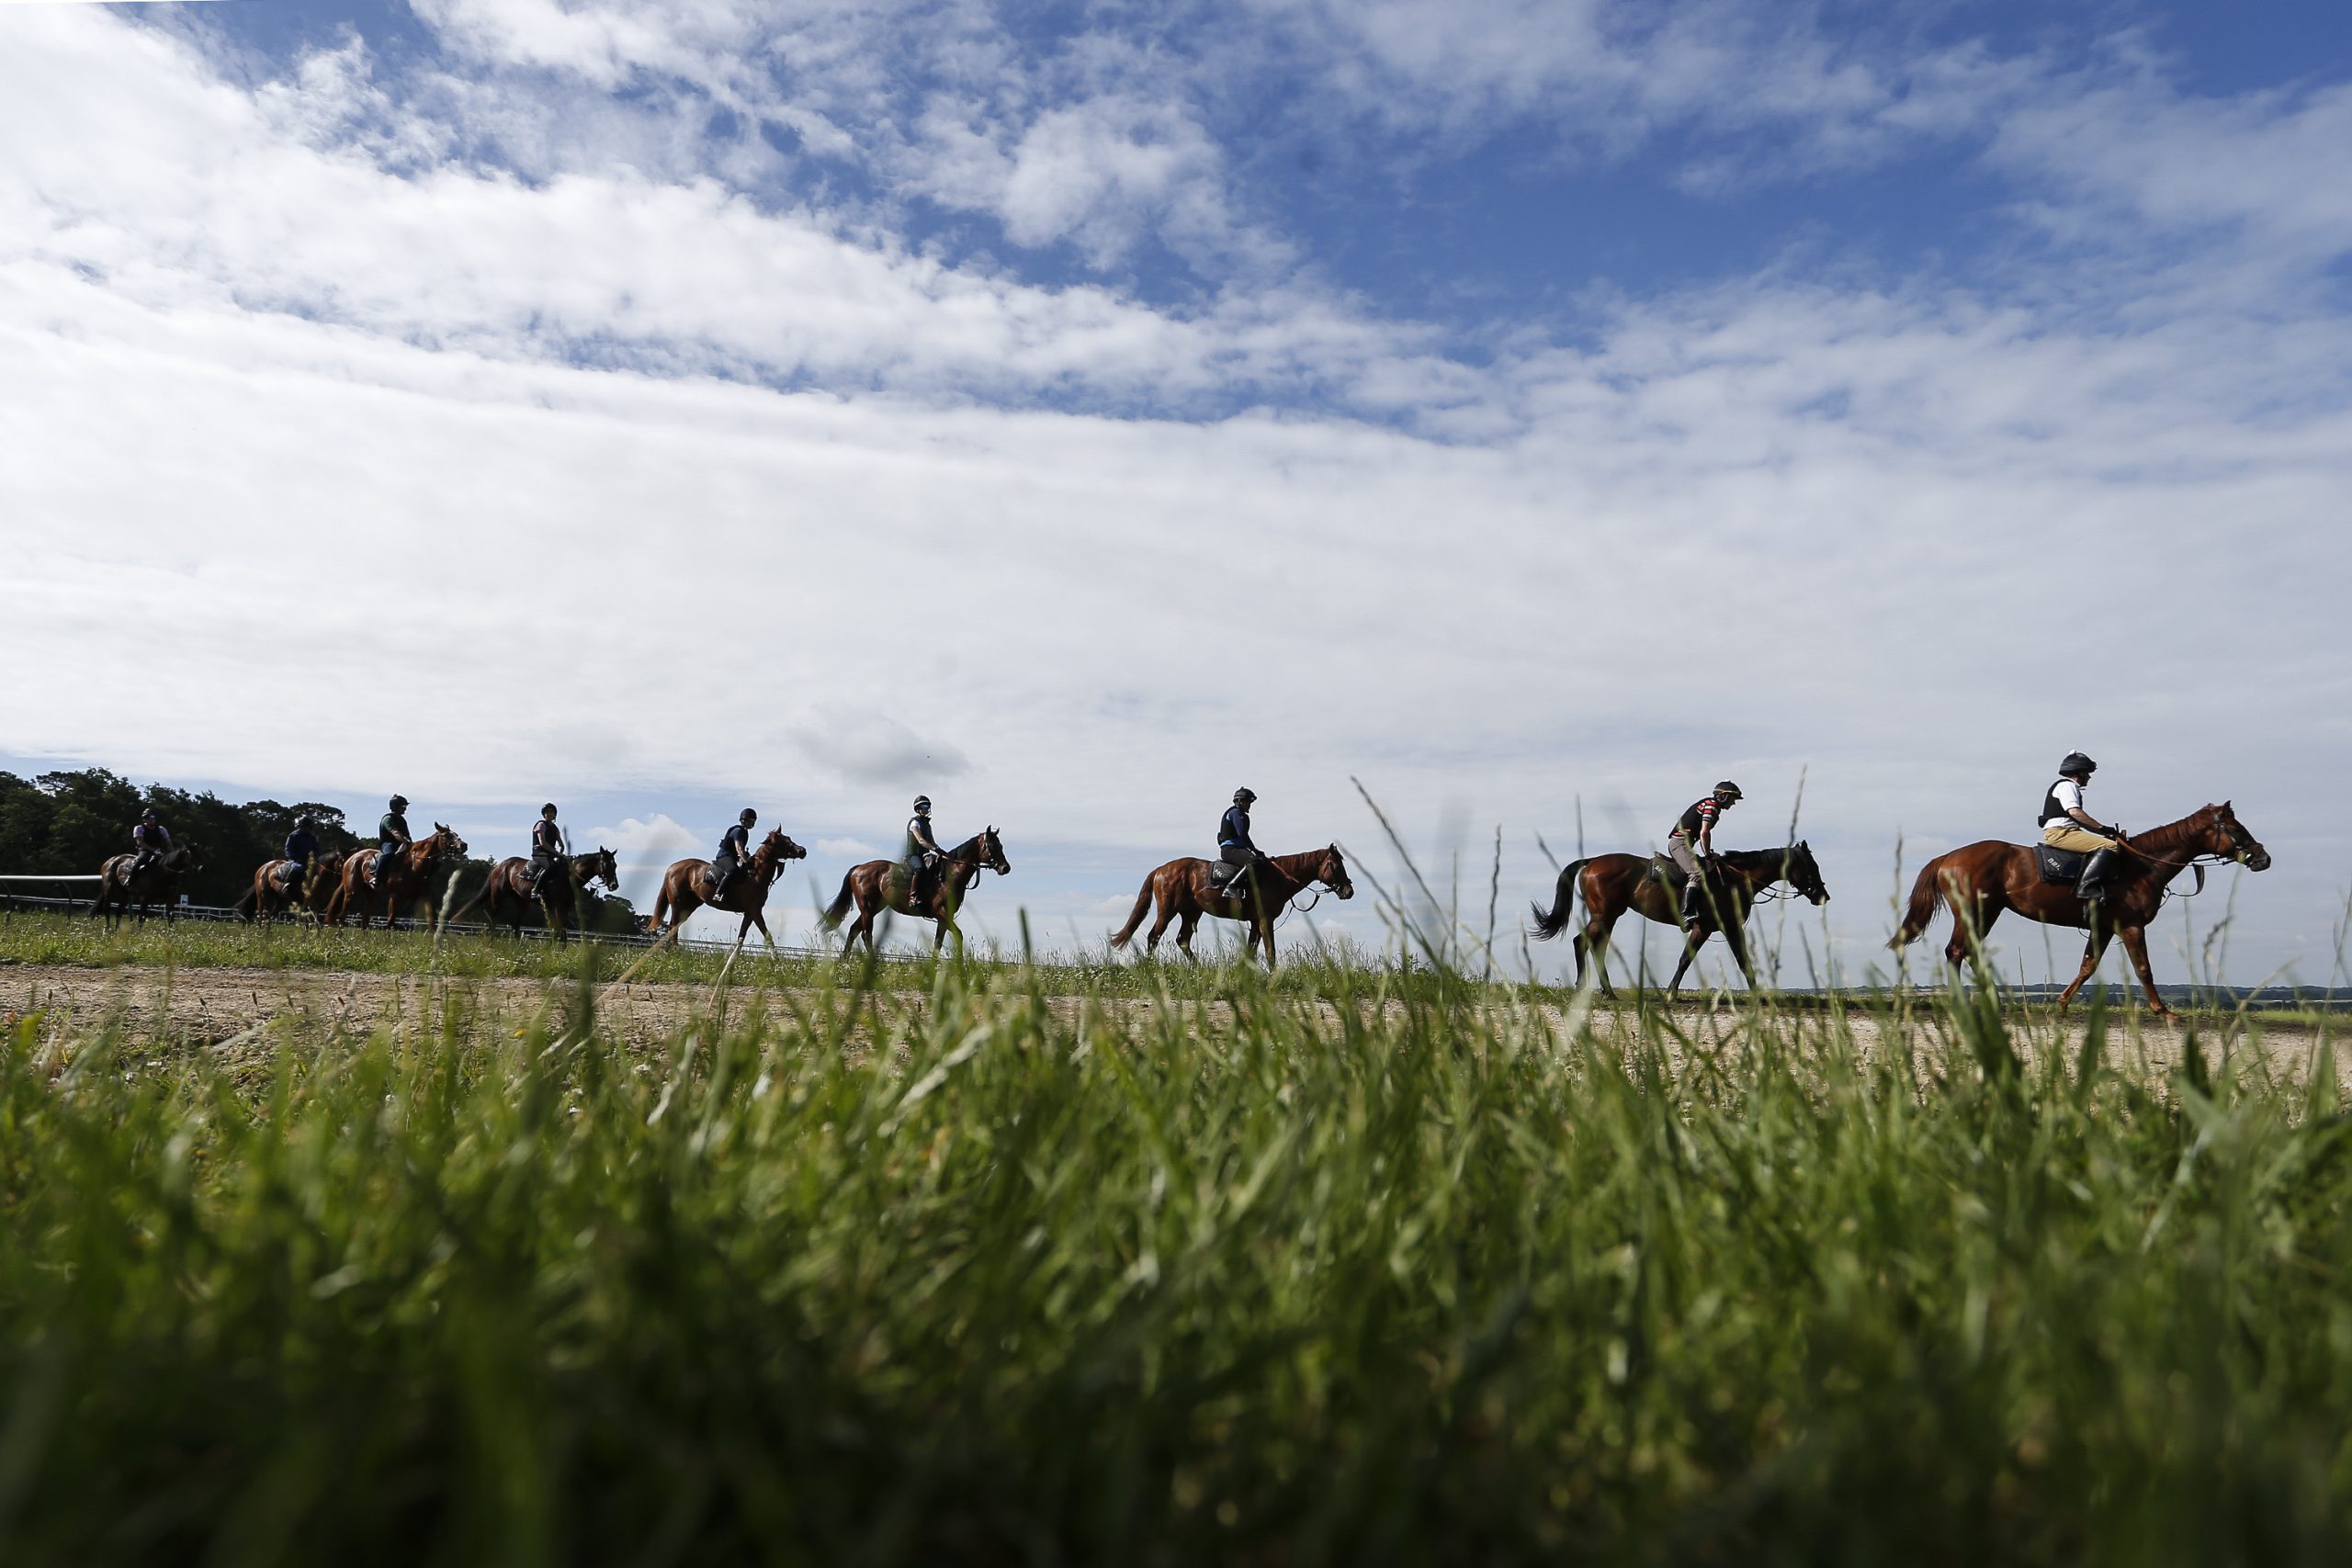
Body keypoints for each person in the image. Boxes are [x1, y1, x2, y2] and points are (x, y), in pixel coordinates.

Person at [2039, 751, 2124, 908]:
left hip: (2067, 831)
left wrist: (2104, 832)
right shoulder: (2068, 786)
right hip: (2061, 834)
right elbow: (2075, 812)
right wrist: (2102, 828)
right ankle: (2087, 888)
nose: (2089, 778)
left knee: (2107, 842)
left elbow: (2080, 820)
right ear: (2079, 773)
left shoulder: (2067, 786)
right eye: (2087, 774)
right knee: (2113, 847)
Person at [1668, 781, 1742, 926]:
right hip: (1680, 842)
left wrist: (1709, 854)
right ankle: (1686, 914)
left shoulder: (1712, 806)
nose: (1733, 803)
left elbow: (1703, 835)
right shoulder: (1712, 806)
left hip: (1685, 843)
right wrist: (1708, 854)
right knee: (1696, 873)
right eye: (1733, 799)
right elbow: (1704, 832)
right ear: (1723, 796)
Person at [1218, 787, 1267, 903]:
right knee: (1253, 861)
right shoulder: (1235, 813)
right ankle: (1231, 887)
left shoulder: (1241, 814)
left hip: (1237, 849)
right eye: (1247, 802)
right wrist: (1255, 850)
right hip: (1230, 850)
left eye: (1250, 802)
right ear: (1239, 801)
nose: (1249, 805)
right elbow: (1242, 835)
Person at [904, 795, 944, 908]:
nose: (926, 808)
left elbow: (933, 842)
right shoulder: (914, 823)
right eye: (924, 806)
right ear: (918, 809)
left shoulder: (928, 825)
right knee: (920, 868)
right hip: (913, 856)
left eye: (928, 806)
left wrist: (943, 853)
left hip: (924, 855)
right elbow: (921, 841)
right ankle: (913, 897)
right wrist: (935, 849)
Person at [709, 807, 756, 904]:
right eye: (751, 821)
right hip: (724, 856)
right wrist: (747, 862)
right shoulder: (738, 831)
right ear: (744, 820)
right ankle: (718, 893)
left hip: (733, 856)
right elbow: (739, 849)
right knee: (733, 870)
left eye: (753, 821)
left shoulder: (745, 832)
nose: (752, 823)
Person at [373, 795, 412, 890]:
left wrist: (411, 843)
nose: (405, 809)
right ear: (395, 807)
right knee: (389, 854)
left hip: (401, 843)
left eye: (405, 807)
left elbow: (407, 835)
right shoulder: (388, 819)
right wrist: (404, 841)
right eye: (403, 807)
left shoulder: (402, 820)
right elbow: (395, 832)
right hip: (388, 843)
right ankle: (376, 876)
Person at [526, 803, 566, 897]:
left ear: (554, 814)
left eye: (551, 812)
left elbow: (561, 845)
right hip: (539, 853)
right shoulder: (541, 825)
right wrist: (557, 853)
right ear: (544, 814)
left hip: (550, 854)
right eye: (547, 812)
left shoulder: (555, 829)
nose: (549, 814)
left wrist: (559, 855)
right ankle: (536, 890)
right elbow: (542, 843)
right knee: (550, 866)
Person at [279, 816, 321, 893]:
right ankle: (288, 885)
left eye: (309, 827)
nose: (307, 829)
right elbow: (288, 850)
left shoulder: (312, 838)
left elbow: (317, 849)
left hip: (310, 860)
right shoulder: (293, 836)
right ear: (301, 827)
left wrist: (316, 855)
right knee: (298, 868)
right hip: (296, 860)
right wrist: (296, 857)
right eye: (306, 827)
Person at [129, 807, 172, 880]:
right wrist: (152, 849)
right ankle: (130, 880)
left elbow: (168, 842)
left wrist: (171, 851)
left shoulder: (161, 829)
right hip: (145, 850)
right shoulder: (139, 828)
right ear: (145, 818)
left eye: (153, 817)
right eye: (149, 817)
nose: (152, 819)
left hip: (158, 851)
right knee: (140, 861)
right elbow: (140, 842)